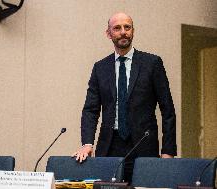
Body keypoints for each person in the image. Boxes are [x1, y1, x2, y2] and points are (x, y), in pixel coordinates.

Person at [72, 12, 177, 183]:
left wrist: (168, 151)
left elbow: (168, 111)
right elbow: (90, 110)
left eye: (127, 27)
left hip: (144, 146)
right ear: (109, 33)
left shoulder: (152, 63)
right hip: (109, 147)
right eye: (117, 28)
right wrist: (87, 143)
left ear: (133, 31)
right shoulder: (100, 68)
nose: (123, 32)